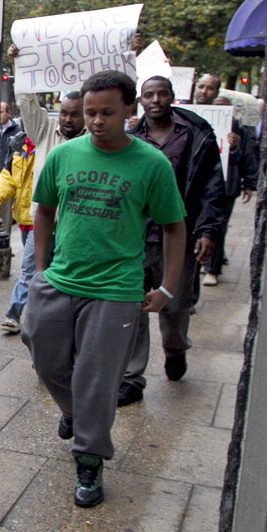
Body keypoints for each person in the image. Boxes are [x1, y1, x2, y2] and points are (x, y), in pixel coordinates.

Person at [22, 70, 187, 508]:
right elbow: (43, 211)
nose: (96, 121)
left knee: (97, 379)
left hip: (116, 289)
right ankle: (75, 412)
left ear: (129, 110)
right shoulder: (64, 155)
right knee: (40, 349)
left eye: (107, 113)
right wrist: (40, 269)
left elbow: (174, 227)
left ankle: (90, 458)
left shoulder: (152, 164)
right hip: (59, 279)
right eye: (90, 112)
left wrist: (167, 288)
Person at [118, 75, 226, 406]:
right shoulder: (129, 141)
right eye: (148, 95)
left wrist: (208, 231)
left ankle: (175, 348)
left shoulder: (196, 136)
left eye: (162, 94)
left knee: (176, 306)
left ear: (172, 97)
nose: (156, 100)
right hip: (137, 238)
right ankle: (132, 377)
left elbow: (212, 188)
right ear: (141, 100)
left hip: (177, 236)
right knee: (133, 306)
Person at [2, 44, 87, 334]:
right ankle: (17, 315)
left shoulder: (94, 141)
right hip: (43, 221)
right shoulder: (43, 130)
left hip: (76, 225)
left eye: (75, 114)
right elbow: (27, 100)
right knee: (31, 270)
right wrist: (18, 66)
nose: (68, 119)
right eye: (64, 113)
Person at [193, 75, 258, 286]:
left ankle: (212, 267)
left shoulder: (232, 124)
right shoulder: (182, 116)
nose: (204, 91)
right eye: (201, 86)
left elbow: (244, 155)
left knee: (216, 227)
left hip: (222, 185)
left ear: (217, 92)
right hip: (192, 183)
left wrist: (235, 148)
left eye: (210, 88)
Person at [0, 132, 36, 329]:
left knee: (28, 267)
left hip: (41, 218)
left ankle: (14, 314)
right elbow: (8, 176)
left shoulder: (48, 141)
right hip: (25, 218)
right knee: (35, 268)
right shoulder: (17, 143)